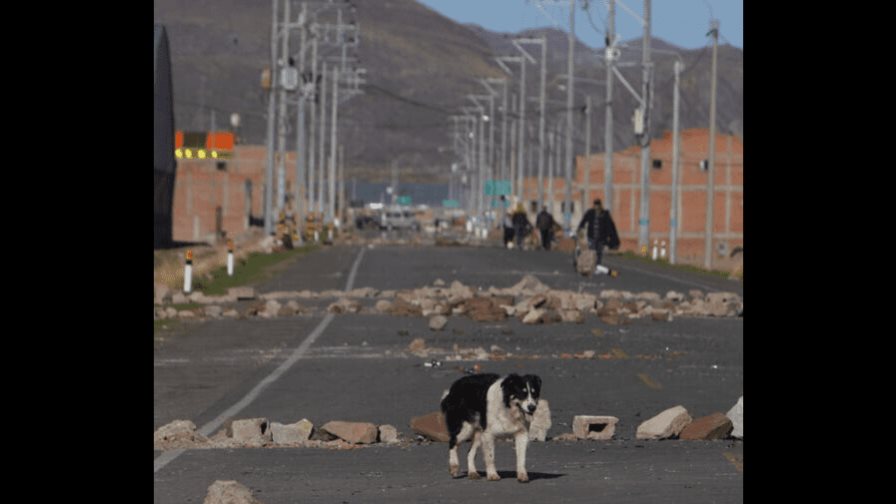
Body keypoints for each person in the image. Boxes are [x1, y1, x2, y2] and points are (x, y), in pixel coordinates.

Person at [576, 198, 620, 275]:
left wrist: (612, 237)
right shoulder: (590, 213)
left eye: (598, 205)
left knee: (599, 253)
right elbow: (583, 221)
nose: (596, 207)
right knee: (593, 252)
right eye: (595, 205)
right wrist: (580, 228)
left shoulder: (605, 214)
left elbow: (610, 226)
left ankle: (597, 266)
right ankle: (592, 266)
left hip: (601, 237)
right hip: (592, 237)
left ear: (600, 205)